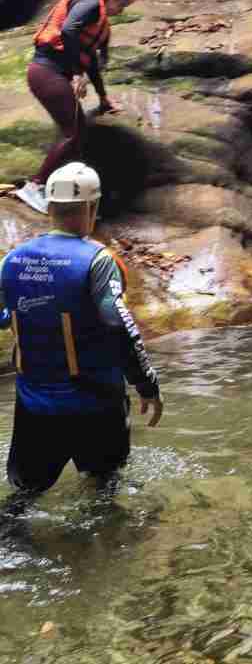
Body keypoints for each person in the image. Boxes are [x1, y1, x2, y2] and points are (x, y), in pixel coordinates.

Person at [0, 161, 162, 501]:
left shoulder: (12, 261)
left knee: (24, 497)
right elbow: (119, 326)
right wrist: (146, 384)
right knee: (103, 489)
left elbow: (4, 316)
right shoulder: (98, 261)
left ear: (49, 207)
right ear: (93, 207)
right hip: (95, 405)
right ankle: (102, 551)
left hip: (34, 407)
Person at [17, 0, 142, 217]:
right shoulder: (90, 4)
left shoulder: (101, 23)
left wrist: (104, 98)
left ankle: (66, 198)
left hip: (55, 74)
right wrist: (76, 73)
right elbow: (69, 30)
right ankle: (33, 186)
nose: (121, 11)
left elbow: (92, 62)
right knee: (72, 133)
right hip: (46, 71)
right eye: (123, 5)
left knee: (79, 135)